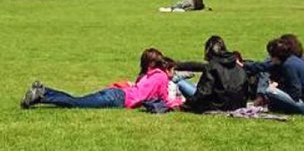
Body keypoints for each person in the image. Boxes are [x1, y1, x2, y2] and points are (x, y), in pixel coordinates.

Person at [20, 48, 183, 111]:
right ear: (166, 68)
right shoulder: (161, 78)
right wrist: (181, 103)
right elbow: (164, 100)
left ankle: (44, 90)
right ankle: (41, 95)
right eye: (173, 70)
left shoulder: (150, 74)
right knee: (77, 103)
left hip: (116, 93)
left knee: (78, 100)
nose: (174, 74)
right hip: (119, 99)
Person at [245, 38, 304, 115]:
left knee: (270, 91)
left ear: (275, 56)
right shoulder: (291, 60)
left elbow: (295, 92)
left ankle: (270, 106)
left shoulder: (289, 66)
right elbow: (264, 66)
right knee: (274, 91)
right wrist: (244, 64)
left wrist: (278, 90)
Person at [173, 36, 249, 113]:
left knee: (180, 82)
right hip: (238, 104)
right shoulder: (238, 66)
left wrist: (186, 105)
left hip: (218, 105)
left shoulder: (212, 66)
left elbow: (203, 92)